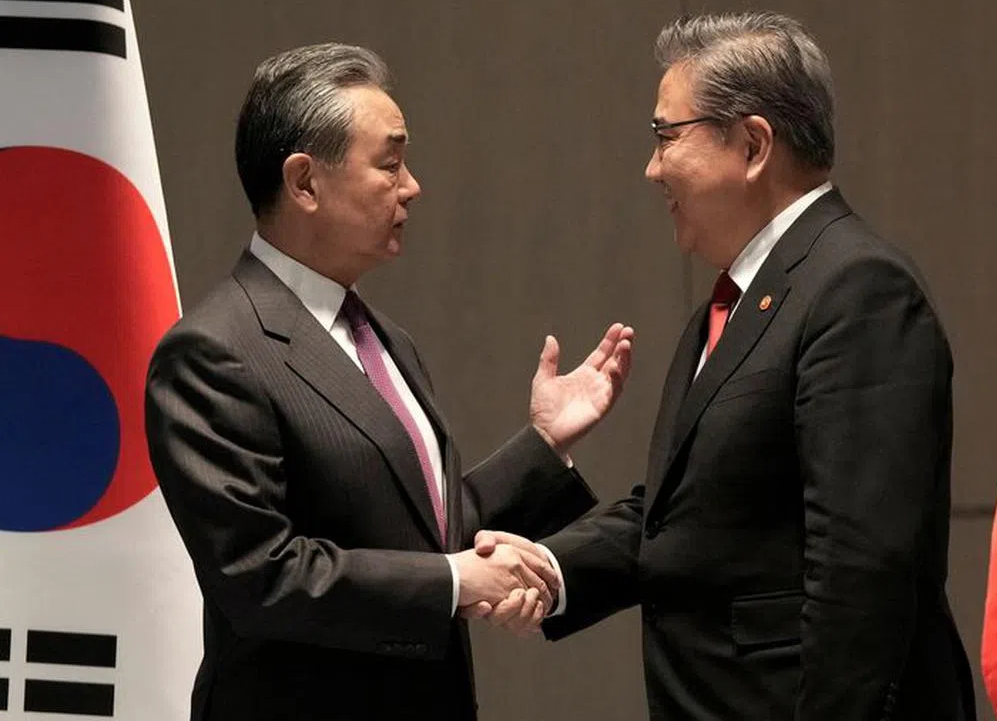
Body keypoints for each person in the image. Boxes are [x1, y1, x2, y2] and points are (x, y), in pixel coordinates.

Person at [476, 12, 976, 720]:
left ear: (752, 144)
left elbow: (862, 573)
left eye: (665, 136)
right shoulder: (746, 294)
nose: (651, 168)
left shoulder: (857, 288)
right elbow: (683, 514)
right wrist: (551, 569)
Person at [143, 43, 633, 721]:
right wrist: (457, 581)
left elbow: (419, 532)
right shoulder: (214, 351)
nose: (412, 186)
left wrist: (543, 445)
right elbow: (262, 576)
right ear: (305, 183)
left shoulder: (385, 339)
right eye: (391, 162)